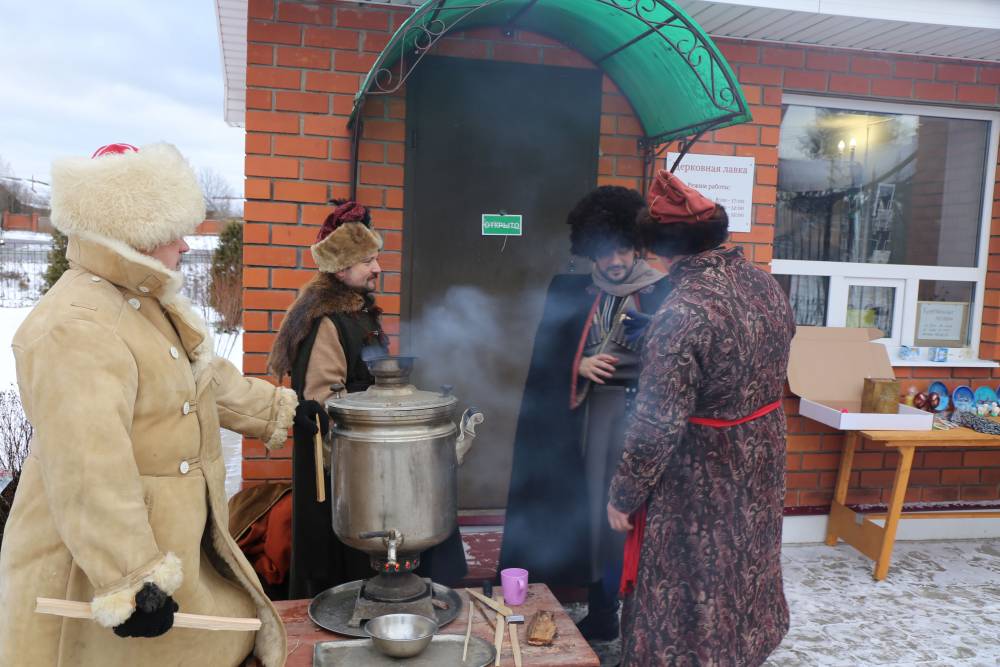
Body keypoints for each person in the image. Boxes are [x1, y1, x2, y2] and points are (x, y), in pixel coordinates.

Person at [0, 142, 300, 666]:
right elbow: (89, 467)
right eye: (172, 231)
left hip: (169, 550)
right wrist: (130, 578)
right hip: (94, 575)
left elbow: (202, 379)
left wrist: (277, 409)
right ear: (135, 233)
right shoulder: (78, 325)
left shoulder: (142, 304)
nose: (185, 244)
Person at [607, 170, 794, 665]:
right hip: (761, 459)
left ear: (664, 250)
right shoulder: (765, 284)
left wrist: (624, 495)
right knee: (744, 568)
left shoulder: (684, 311)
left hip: (702, 476)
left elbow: (656, 424)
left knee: (695, 582)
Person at [268, 200, 467, 599]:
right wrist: (383, 426)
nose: (377, 268)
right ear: (341, 268)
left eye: (376, 258)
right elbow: (322, 399)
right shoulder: (326, 321)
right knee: (351, 558)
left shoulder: (358, 314)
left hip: (370, 451)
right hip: (343, 467)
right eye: (367, 261)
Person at [499, 186, 670, 640]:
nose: (614, 261)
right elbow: (544, 356)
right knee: (596, 515)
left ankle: (640, 615)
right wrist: (578, 364)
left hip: (645, 418)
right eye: (603, 251)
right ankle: (602, 610)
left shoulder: (662, 291)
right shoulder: (570, 290)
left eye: (622, 249)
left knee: (638, 517)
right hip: (589, 418)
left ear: (637, 244)